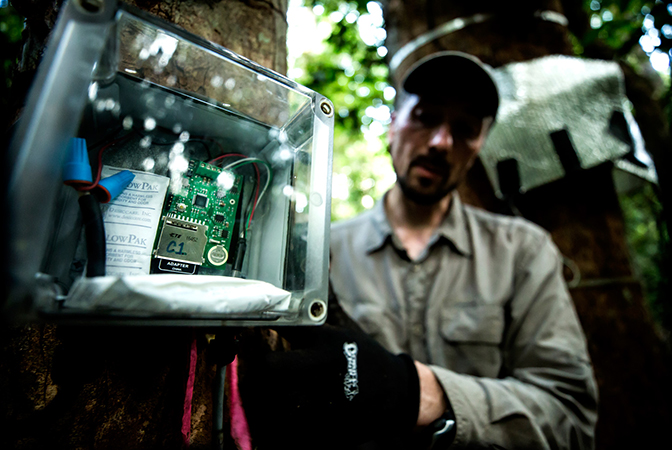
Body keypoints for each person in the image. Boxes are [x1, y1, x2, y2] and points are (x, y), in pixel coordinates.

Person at [238, 52, 598, 450]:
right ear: (393, 126)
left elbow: (571, 417)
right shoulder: (315, 251)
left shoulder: (522, 252)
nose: (442, 142)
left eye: (464, 129)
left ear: (478, 147)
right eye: (425, 117)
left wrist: (423, 393)